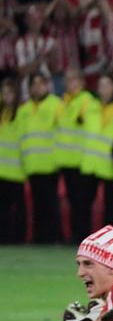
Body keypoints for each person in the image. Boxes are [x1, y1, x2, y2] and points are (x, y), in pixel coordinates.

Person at [17, 72, 61, 245]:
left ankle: (53, 237)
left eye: (40, 83)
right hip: (32, 164)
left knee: (51, 203)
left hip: (50, 163)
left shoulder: (56, 105)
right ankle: (39, 238)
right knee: (37, 205)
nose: (37, 87)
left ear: (47, 85)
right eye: (33, 84)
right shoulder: (23, 109)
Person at [79, 74, 113, 232]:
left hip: (109, 162)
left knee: (109, 204)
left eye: (107, 85)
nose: (104, 89)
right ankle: (83, 236)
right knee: (85, 202)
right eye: (101, 85)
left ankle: (108, 240)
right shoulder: (89, 106)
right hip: (90, 162)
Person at [56, 68, 99, 243]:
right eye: (67, 79)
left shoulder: (86, 101)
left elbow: (91, 130)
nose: (69, 83)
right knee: (73, 202)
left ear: (81, 82)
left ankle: (82, 237)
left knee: (82, 202)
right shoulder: (64, 102)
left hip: (81, 161)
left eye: (73, 79)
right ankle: (75, 235)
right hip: (67, 160)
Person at [0, 77, 25, 244]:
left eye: (10, 92)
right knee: (2, 209)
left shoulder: (22, 113)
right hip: (2, 170)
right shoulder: (2, 114)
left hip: (17, 170)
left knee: (17, 210)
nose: (6, 96)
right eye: (3, 93)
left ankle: (17, 239)